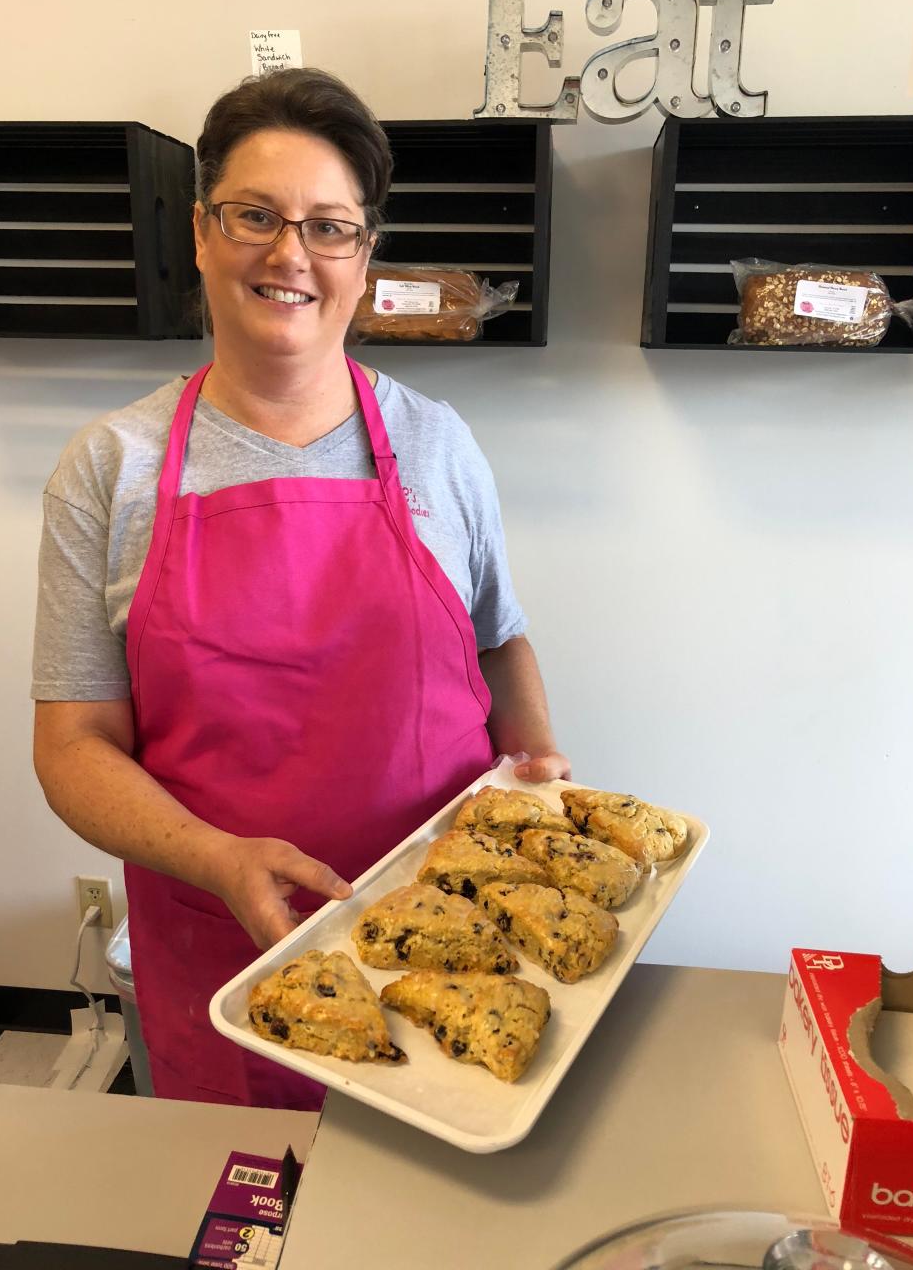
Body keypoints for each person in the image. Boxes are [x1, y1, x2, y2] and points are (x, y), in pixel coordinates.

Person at [32, 67, 569, 1110]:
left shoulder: (437, 443)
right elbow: (72, 744)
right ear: (200, 232)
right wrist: (219, 857)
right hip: (230, 952)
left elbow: (499, 641)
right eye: (255, 216)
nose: (290, 253)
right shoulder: (113, 467)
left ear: (364, 259)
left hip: (455, 938)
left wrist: (535, 763)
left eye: (329, 226)